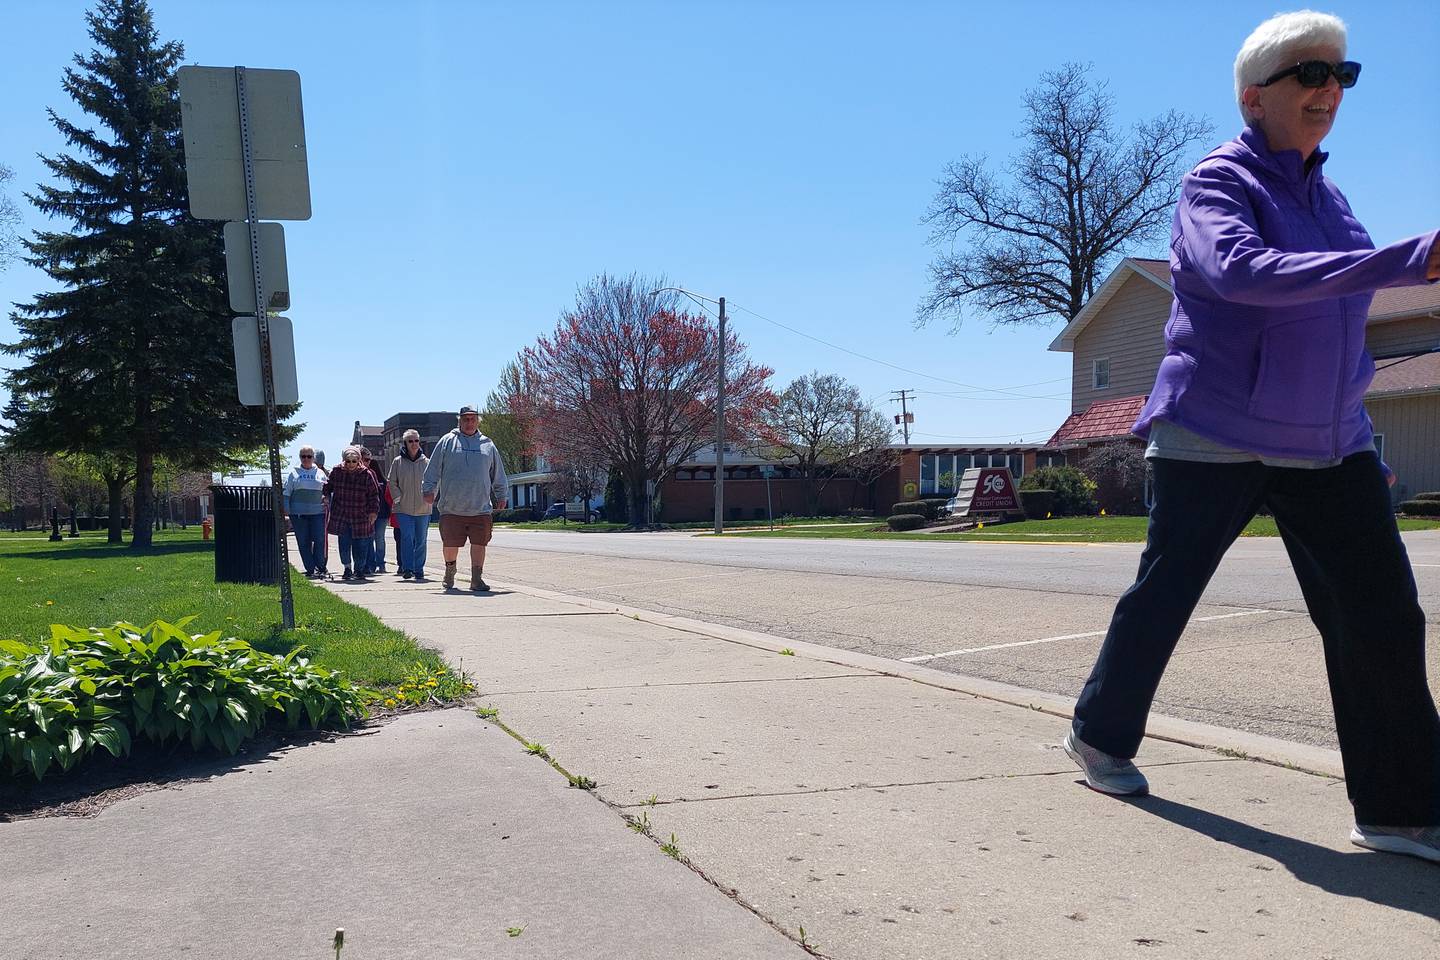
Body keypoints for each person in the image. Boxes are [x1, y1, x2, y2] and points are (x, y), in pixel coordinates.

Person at [1064, 10, 1440, 865]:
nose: (1327, 92)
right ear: (1252, 96)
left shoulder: (1332, 201)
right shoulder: (1216, 185)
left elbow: (1341, 329)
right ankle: (1097, 735)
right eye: (1308, 75)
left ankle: (1401, 808)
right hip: (1217, 431)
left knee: (1380, 614)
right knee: (1165, 598)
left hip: (1328, 443)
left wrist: (1364, 440)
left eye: (1341, 76)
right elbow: (1242, 274)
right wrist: (1402, 259)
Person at [422, 404, 508, 591]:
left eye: (473, 419)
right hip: (452, 507)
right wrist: (428, 490)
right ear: (459, 421)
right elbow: (433, 469)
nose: (469, 422)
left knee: (479, 543)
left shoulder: (488, 444)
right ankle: (450, 572)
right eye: (466, 419)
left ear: (478, 421)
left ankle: (476, 579)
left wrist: (502, 494)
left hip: (481, 507)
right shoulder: (447, 441)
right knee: (451, 544)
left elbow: (498, 473)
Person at [324, 445, 380, 582]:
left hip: (361, 515)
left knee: (361, 545)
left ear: (358, 461)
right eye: (348, 461)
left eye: (354, 461)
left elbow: (374, 495)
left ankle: (359, 570)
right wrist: (325, 496)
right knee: (344, 544)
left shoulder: (367, 474)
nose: (350, 464)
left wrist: (373, 512)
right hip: (342, 514)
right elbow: (328, 486)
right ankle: (347, 568)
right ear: (344, 460)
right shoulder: (337, 471)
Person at [390, 428, 432, 581]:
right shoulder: (397, 462)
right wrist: (398, 498)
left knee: (421, 539)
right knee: (407, 537)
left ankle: (419, 569)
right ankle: (407, 568)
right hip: (403, 508)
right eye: (410, 441)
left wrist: (431, 495)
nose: (414, 444)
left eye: (416, 441)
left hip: (423, 508)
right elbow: (391, 482)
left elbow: (435, 481)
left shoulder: (427, 462)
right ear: (405, 443)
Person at [281, 445, 328, 578]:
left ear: (313, 458)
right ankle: (310, 568)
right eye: (303, 456)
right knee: (303, 541)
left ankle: (321, 567)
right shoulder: (293, 474)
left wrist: (326, 498)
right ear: (300, 457)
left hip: (318, 513)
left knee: (319, 540)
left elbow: (327, 490)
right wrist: (286, 508)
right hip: (298, 514)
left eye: (309, 456)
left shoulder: (320, 473)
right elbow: (286, 493)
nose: (306, 459)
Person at [360, 448, 390, 575]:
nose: (366, 462)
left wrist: (389, 513)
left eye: (368, 460)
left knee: (379, 538)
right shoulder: (359, 475)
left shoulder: (376, 475)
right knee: (369, 538)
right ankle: (371, 565)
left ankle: (381, 564)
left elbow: (386, 496)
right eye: (364, 459)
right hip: (367, 513)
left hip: (382, 513)